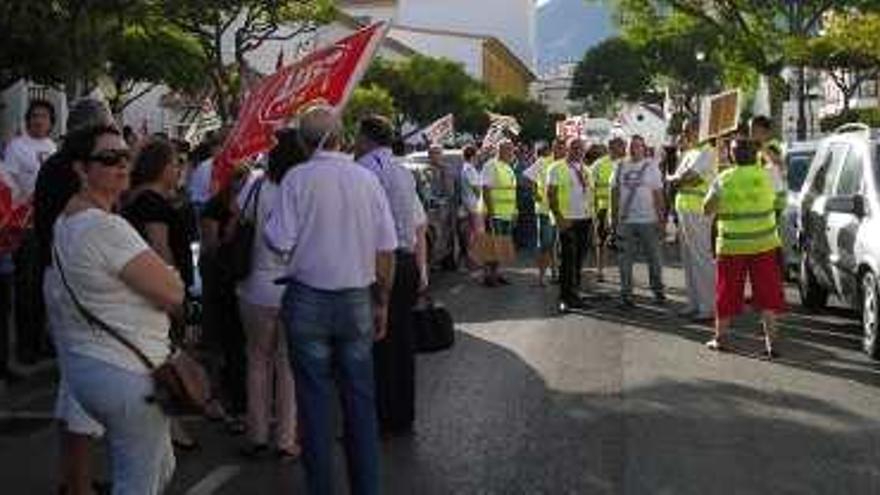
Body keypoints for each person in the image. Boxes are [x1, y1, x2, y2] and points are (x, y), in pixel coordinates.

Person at [43, 124, 184, 494]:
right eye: (108, 158)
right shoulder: (105, 228)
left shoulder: (67, 220)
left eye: (125, 156)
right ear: (80, 169)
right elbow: (172, 292)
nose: (121, 165)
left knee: (158, 466)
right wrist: (169, 273)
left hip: (96, 370)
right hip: (126, 373)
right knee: (140, 483)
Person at [265, 106, 396, 495]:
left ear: (303, 142)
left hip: (306, 300)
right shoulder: (366, 180)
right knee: (360, 404)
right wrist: (382, 301)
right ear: (342, 138)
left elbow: (278, 240)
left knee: (314, 408)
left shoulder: (296, 179)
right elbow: (386, 248)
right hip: (356, 298)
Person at [34, 99, 115, 495]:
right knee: (82, 385)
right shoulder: (74, 173)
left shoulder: (54, 166)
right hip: (76, 281)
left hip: (57, 275)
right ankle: (78, 483)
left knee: (72, 384)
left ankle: (73, 479)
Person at [234, 129, 305, 460]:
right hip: (293, 286)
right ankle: (286, 439)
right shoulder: (304, 187)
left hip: (254, 285)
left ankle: (257, 434)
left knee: (257, 361)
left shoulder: (258, 184)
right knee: (287, 365)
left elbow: (238, 216)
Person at [355, 115, 427, 437]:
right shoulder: (403, 172)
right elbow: (417, 223)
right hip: (408, 259)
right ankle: (402, 413)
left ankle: (381, 415)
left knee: (377, 344)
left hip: (380, 262)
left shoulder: (363, 172)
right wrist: (422, 269)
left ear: (366, 137)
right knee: (402, 341)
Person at [703, 138, 785, 358]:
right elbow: (780, 201)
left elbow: (707, 209)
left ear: (732, 156)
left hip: (731, 246)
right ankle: (772, 345)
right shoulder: (769, 175)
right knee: (767, 294)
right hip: (764, 244)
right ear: (755, 154)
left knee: (727, 292)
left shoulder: (723, 178)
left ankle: (720, 339)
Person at [3, 99, 58, 366]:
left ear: (51, 122)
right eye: (34, 116)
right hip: (25, 228)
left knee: (46, 286)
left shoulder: (52, 147)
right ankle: (26, 346)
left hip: (48, 226)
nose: (38, 120)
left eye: (44, 117)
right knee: (27, 288)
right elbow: (10, 186)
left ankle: (42, 339)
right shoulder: (17, 147)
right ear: (27, 120)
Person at [668, 119, 717, 321]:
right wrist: (678, 179)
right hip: (684, 209)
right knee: (688, 258)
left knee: (700, 258)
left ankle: (708, 306)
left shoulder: (708, 151)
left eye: (690, 130)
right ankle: (693, 303)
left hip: (699, 210)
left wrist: (676, 179)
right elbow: (678, 178)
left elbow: (692, 178)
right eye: (685, 129)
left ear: (701, 130)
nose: (686, 133)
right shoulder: (689, 153)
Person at [610, 135, 666, 307]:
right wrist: (613, 219)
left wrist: (661, 220)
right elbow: (615, 194)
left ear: (644, 148)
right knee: (624, 261)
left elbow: (658, 196)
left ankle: (657, 290)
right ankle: (626, 294)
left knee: (654, 259)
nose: (634, 149)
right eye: (632, 146)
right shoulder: (619, 167)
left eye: (638, 146)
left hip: (649, 220)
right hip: (626, 221)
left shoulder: (652, 167)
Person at [548, 138, 593, 312]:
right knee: (567, 260)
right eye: (574, 148)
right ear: (567, 150)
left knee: (579, 259)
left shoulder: (586, 170)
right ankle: (565, 297)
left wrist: (592, 218)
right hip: (567, 220)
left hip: (585, 219)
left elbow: (589, 196)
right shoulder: (556, 168)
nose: (578, 152)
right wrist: (559, 218)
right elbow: (551, 195)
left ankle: (574, 293)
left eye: (581, 149)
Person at [523, 139, 565, 287]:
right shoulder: (543, 162)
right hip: (545, 210)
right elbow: (528, 177)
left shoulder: (566, 164)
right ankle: (541, 277)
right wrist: (535, 194)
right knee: (546, 244)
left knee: (559, 245)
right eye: (558, 149)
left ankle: (555, 273)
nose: (561, 151)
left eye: (563, 149)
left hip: (562, 211)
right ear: (552, 149)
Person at [481, 139, 519, 287]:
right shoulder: (491, 165)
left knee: (502, 246)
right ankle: (488, 276)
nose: (511, 152)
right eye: (508, 149)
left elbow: (511, 191)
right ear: (500, 150)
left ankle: (497, 274)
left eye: (512, 149)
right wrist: (490, 212)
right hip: (495, 213)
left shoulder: (508, 167)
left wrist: (515, 211)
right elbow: (486, 189)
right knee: (493, 245)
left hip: (507, 213)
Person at [592, 137, 625, 282]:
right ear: (611, 147)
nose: (623, 149)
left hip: (624, 208)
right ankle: (600, 270)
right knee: (602, 239)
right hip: (603, 208)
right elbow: (591, 187)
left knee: (624, 240)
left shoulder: (627, 163)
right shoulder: (599, 164)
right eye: (620, 146)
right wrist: (592, 209)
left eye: (623, 146)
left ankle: (625, 271)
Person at [459, 144, 483, 271]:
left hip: (470, 204)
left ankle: (471, 261)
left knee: (472, 235)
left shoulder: (468, 168)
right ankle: (472, 261)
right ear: (473, 156)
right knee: (476, 234)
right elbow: (476, 189)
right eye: (477, 155)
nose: (478, 157)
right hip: (473, 205)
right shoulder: (469, 169)